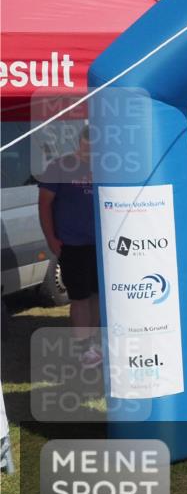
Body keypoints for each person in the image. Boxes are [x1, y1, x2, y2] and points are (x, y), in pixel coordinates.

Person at [37, 127, 101, 368]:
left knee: (96, 296)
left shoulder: (104, 166)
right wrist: (51, 238)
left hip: (100, 244)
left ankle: (93, 342)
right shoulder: (59, 166)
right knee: (80, 297)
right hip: (72, 244)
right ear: (80, 141)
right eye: (88, 141)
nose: (91, 147)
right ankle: (84, 348)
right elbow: (44, 204)